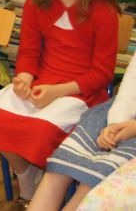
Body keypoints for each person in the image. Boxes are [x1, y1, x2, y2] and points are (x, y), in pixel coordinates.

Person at [0, 0, 119, 205]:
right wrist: (24, 78)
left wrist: (57, 92)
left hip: (82, 94)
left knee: (40, 131)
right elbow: (29, 51)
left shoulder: (103, 13)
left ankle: (41, 183)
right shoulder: (37, 1)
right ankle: (26, 173)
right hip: (43, 84)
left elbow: (102, 75)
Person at [30, 40, 136, 210]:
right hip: (118, 115)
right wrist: (115, 123)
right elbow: (130, 87)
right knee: (58, 170)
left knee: (93, 180)